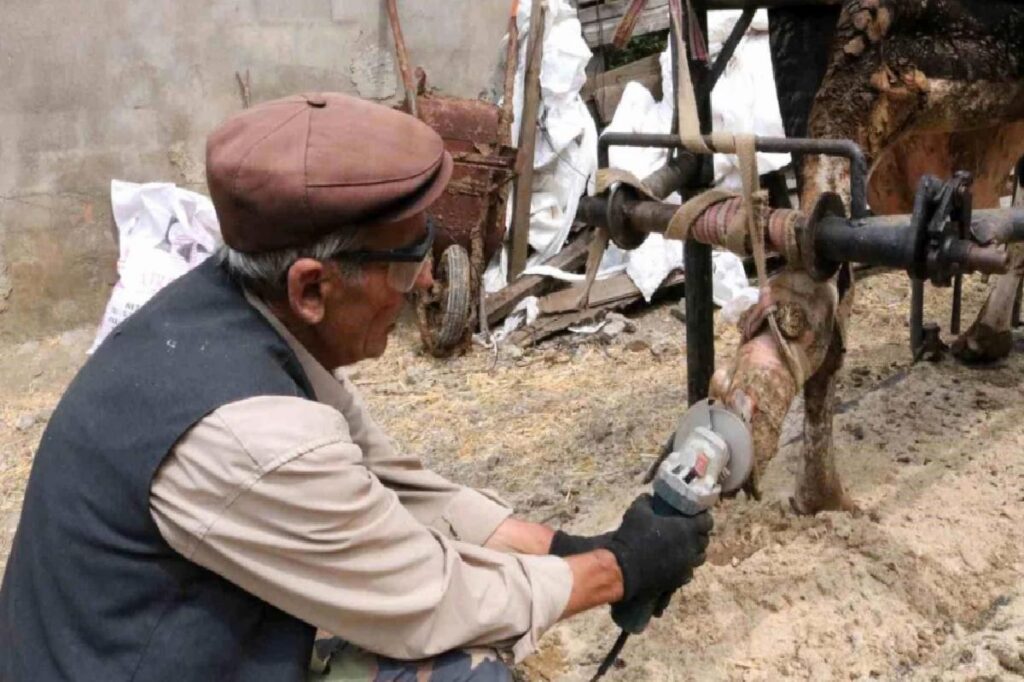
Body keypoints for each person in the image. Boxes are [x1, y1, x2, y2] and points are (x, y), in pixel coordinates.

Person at [0, 93, 712, 681]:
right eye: (407, 265)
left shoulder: (238, 315)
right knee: (461, 669)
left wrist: (570, 546)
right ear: (312, 286)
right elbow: (431, 598)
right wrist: (616, 573)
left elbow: (400, 486)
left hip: (152, 645)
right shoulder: (250, 437)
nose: (427, 283)